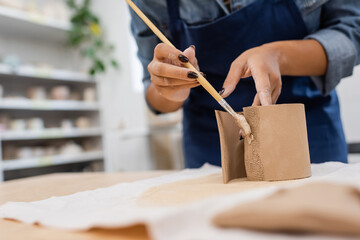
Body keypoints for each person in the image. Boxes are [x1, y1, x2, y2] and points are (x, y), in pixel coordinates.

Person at [129, 0, 360, 168]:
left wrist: (279, 56)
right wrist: (171, 89)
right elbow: (152, 92)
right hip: (212, 147)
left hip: (309, 134)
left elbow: (352, 30)